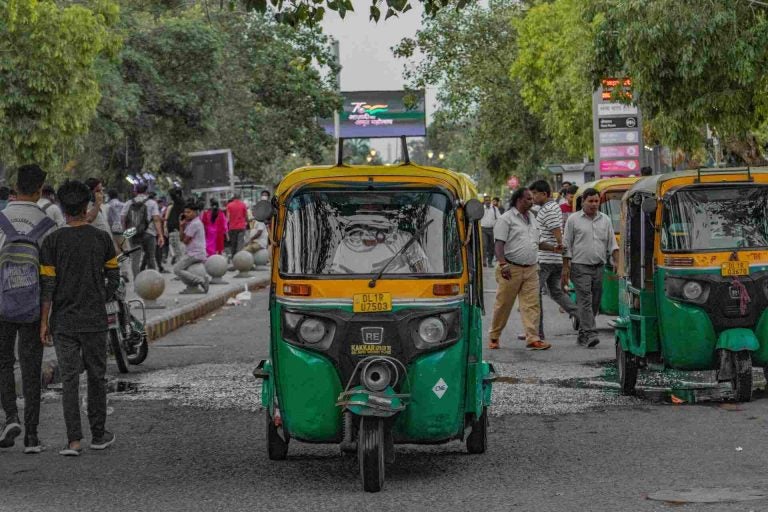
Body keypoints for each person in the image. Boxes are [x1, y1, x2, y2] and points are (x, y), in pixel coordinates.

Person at [40, 180, 118, 456]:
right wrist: (101, 296)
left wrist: (44, 321)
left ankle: (73, 441)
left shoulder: (52, 241)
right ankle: (98, 434)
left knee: (70, 380)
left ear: (62, 208)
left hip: (63, 321)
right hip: (95, 319)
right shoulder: (101, 238)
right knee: (97, 376)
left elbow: (47, 286)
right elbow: (114, 277)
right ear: (86, 207)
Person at [0, 164, 57, 454]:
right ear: (39, 190)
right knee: (31, 367)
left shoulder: (1, 219)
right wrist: (47, 317)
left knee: (3, 362)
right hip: (34, 308)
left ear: (15, 187)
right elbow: (49, 277)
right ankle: (32, 436)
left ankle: (11, 416)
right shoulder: (47, 224)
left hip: (2, 305)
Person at [487, 188, 552, 351]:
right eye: (528, 199)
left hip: (531, 268)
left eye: (532, 198)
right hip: (510, 269)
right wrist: (503, 264)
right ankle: (494, 336)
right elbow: (499, 244)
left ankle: (533, 338)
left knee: (531, 305)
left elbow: (538, 242)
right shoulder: (506, 219)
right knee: (503, 304)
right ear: (519, 200)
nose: (532, 201)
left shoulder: (533, 217)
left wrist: (555, 248)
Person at [561, 187, 619, 348]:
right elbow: (566, 244)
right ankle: (591, 333)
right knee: (585, 299)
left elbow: (612, 243)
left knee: (595, 302)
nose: (594, 204)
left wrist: (617, 262)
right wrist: (565, 267)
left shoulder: (605, 220)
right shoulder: (573, 220)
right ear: (583, 202)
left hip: (599, 267)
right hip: (579, 267)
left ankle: (583, 333)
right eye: (590, 201)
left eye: (596, 201)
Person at [529, 180, 578, 342]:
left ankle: (536, 332)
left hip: (545, 259)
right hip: (553, 259)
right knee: (557, 293)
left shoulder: (548, 210)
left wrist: (560, 248)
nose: (532, 197)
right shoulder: (552, 207)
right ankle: (584, 320)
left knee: (534, 295)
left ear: (544, 194)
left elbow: (557, 231)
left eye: (535, 194)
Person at [121, 183, 164, 279]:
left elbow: (123, 219)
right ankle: (152, 280)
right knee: (151, 257)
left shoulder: (128, 203)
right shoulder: (152, 203)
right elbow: (156, 219)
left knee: (135, 259)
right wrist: (160, 235)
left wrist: (126, 233)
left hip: (133, 234)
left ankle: (137, 282)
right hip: (149, 233)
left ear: (135, 191)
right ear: (146, 191)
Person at [174, 200, 210, 293]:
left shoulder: (195, 224)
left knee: (177, 269)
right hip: (195, 253)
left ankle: (200, 280)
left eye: (189, 212)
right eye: (185, 212)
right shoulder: (191, 223)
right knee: (180, 269)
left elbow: (185, 241)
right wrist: (181, 226)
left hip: (195, 254)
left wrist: (182, 228)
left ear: (195, 212)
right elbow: (182, 239)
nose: (186, 214)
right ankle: (192, 287)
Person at [164, 188, 185, 264]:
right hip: (174, 228)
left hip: (175, 228)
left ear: (177, 195)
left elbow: (173, 195)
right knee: (175, 247)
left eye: (169, 196)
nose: (169, 198)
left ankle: (179, 263)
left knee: (177, 249)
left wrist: (171, 191)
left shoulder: (179, 202)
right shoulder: (177, 204)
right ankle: (178, 261)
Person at [480, 195, 501, 267]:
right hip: (483, 229)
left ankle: (490, 262)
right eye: (486, 200)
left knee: (492, 246)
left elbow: (499, 218)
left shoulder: (495, 209)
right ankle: (484, 260)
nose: (488, 202)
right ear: (484, 201)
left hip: (492, 230)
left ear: (490, 201)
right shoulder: (481, 208)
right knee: (484, 245)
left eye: (489, 200)